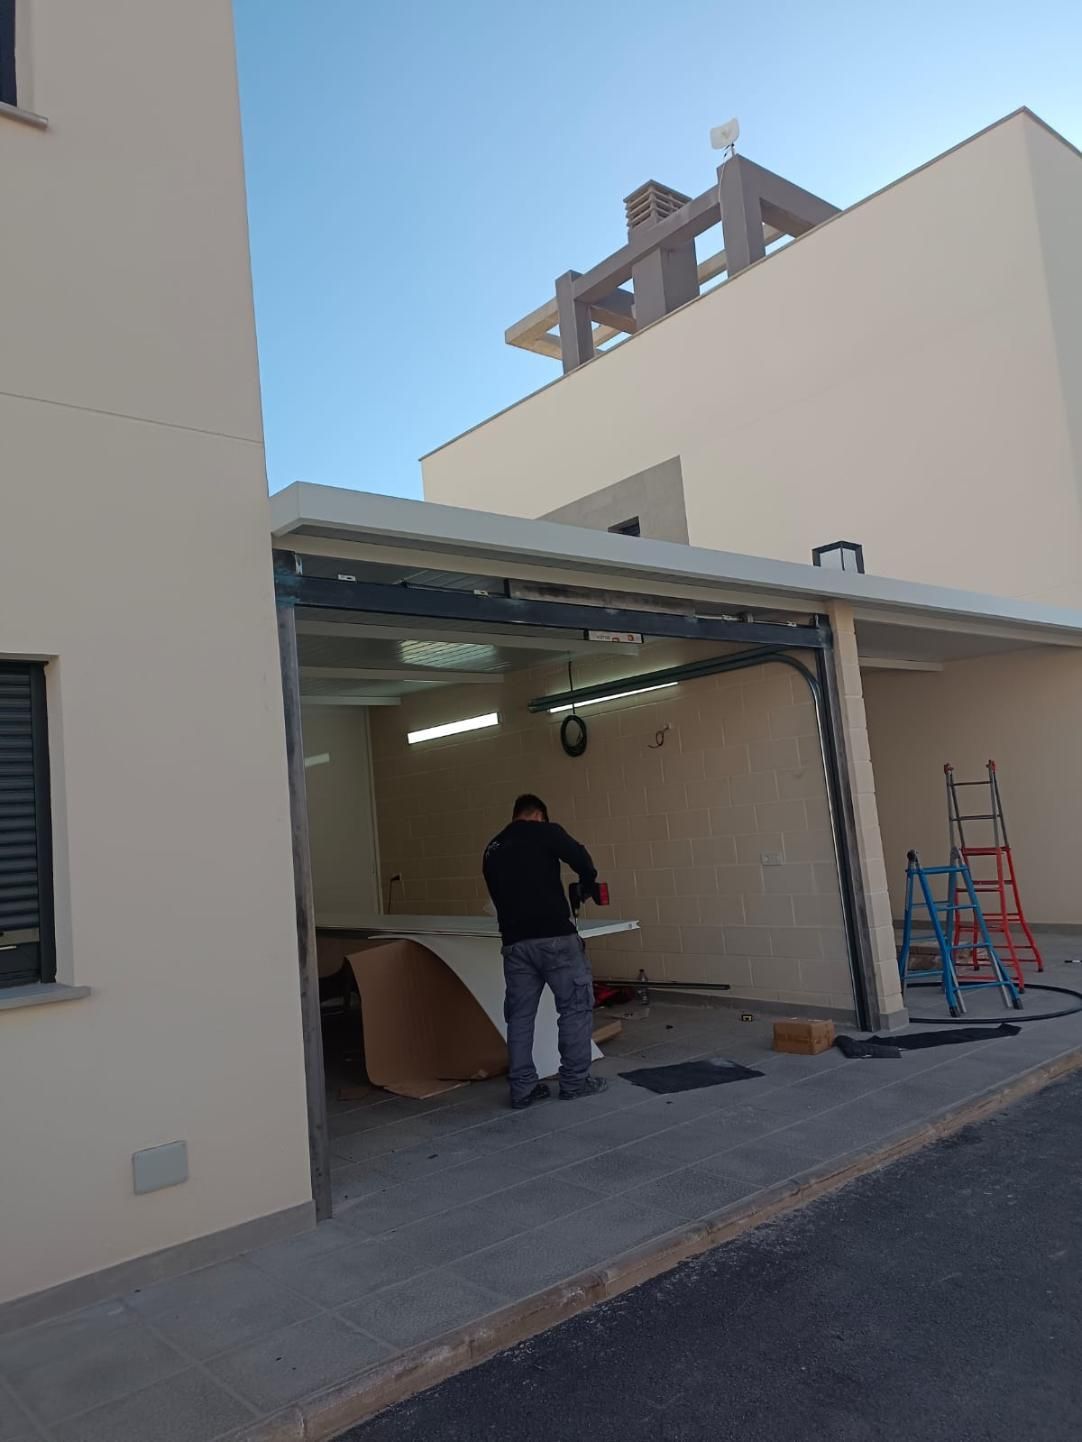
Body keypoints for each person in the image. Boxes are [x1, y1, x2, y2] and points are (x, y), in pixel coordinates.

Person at [482, 793, 608, 1110]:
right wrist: (587, 883)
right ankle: (575, 1082)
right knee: (575, 1008)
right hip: (555, 939)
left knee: (520, 1017)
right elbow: (581, 858)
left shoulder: (492, 848)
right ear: (539, 815)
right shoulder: (546, 831)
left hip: (514, 944)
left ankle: (523, 1089)